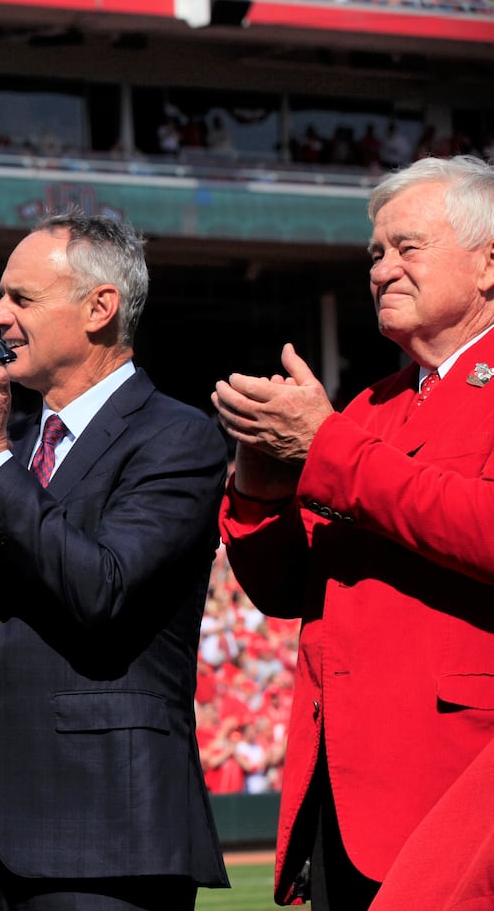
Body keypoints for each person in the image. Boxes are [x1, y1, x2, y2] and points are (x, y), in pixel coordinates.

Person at [0, 209, 229, 909]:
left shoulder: (176, 438)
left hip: (106, 837)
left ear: (99, 308)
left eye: (21, 298)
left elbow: (102, 589)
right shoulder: (5, 446)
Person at [213, 154, 494, 910]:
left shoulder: (347, 430)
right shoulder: (368, 409)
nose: (383, 270)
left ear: (490, 263)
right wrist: (261, 486)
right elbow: (282, 591)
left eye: (408, 247)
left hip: (462, 785)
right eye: (375, 253)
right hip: (342, 792)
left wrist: (329, 449)